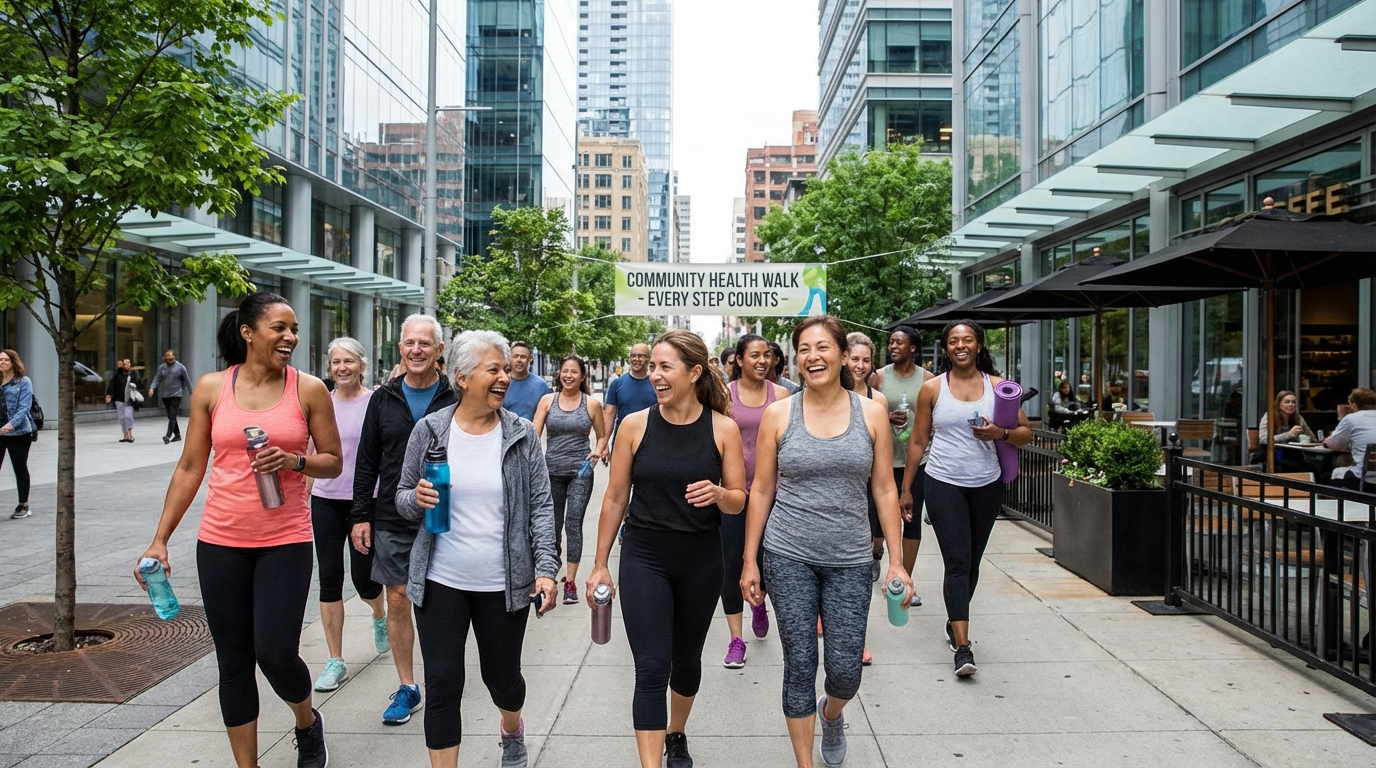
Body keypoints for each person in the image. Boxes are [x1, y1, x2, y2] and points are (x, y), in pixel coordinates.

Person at [135, 292, 342, 768]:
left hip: (285, 542)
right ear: (248, 332)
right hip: (220, 543)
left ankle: (307, 722)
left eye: (294, 329)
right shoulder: (211, 388)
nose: (290, 337)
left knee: (275, 654)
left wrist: (294, 461)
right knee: (233, 662)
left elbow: (333, 461)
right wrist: (160, 539)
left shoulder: (309, 389)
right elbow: (190, 466)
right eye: (279, 328)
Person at [740, 316, 913, 768]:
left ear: (842, 355)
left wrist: (897, 561)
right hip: (788, 554)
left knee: (845, 671)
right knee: (799, 665)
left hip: (851, 559)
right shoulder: (779, 414)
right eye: (804, 349)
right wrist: (749, 561)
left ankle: (832, 713)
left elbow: (884, 489)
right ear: (794, 358)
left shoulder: (870, 413)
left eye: (822, 347)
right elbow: (762, 489)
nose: (813, 356)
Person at [395, 330, 559, 768]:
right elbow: (402, 496)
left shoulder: (520, 434)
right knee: (443, 683)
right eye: (494, 369)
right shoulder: (430, 430)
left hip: (503, 584)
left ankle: (512, 727)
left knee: (503, 680)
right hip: (440, 581)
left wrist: (546, 569)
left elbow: (542, 507)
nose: (504, 377)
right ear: (463, 378)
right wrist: (417, 499)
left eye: (506, 369)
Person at [585, 330, 747, 768]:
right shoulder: (635, 426)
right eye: (652, 366)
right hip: (644, 557)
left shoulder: (723, 429)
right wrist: (600, 564)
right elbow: (615, 498)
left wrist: (719, 494)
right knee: (652, 667)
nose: (654, 375)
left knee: (686, 661)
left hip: (701, 560)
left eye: (665, 367)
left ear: (694, 373)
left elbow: (739, 499)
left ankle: (676, 733)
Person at [902, 320, 1033, 678]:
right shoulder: (932, 389)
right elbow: (918, 440)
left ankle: (954, 620)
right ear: (946, 348)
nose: (961, 345)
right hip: (943, 483)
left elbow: (1025, 433)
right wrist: (907, 489)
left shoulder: (999, 387)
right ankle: (963, 647)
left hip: (986, 485)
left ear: (978, 345)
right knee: (958, 561)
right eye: (954, 341)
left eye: (968, 340)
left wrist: (1000, 433)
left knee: (972, 562)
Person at [350, 314, 457, 726]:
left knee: (442, 599)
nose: (416, 350)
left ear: (439, 350)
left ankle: (443, 676)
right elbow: (367, 461)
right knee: (397, 597)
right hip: (393, 516)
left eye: (424, 344)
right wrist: (360, 515)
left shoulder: (455, 396)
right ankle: (408, 685)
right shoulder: (383, 399)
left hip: (445, 516)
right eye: (410, 343)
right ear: (400, 348)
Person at [309, 337, 388, 693]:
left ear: (361, 365)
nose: (342, 368)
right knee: (329, 577)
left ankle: (379, 614)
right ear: (329, 368)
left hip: (365, 502)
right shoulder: (320, 402)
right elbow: (310, 450)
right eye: (336, 362)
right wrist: (303, 494)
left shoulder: (375, 402)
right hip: (325, 499)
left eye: (349, 361)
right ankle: (335, 660)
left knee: (364, 580)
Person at [720, 334, 791, 668]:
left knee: (766, 562)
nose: (763, 361)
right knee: (731, 563)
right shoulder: (723, 396)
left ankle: (759, 602)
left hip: (775, 494)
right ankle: (736, 639)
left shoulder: (783, 396)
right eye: (754, 355)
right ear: (739, 360)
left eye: (767, 355)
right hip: (734, 494)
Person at [533, 355, 609, 604]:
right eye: (565, 371)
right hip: (551, 472)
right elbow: (533, 435)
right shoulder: (547, 401)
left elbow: (602, 436)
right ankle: (549, 575)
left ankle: (570, 583)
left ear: (582, 376)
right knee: (551, 526)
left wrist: (598, 451)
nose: (568, 376)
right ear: (560, 374)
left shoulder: (591, 404)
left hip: (580, 472)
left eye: (574, 372)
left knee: (573, 524)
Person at [870, 325, 932, 589]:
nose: (893, 347)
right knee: (879, 518)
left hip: (917, 461)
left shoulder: (928, 379)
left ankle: (905, 579)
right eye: (891, 342)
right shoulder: (878, 377)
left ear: (913, 348)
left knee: (912, 520)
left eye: (899, 342)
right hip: (885, 458)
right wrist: (885, 417)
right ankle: (876, 552)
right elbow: (866, 410)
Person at [847, 332, 890, 592]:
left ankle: (875, 553)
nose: (860, 366)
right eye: (855, 359)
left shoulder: (878, 400)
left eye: (866, 360)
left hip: (870, 478)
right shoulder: (829, 394)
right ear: (844, 358)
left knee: (874, 527)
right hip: (842, 479)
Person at [0, 349, 36, 520]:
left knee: (19, 467)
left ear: (14, 362)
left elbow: (24, 407)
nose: (2, 362)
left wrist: (11, 425)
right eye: (0, 360)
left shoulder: (23, 381)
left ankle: (23, 504)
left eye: (6, 360)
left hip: (19, 432)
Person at [1323, 387, 1376, 486]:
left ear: (1354, 405)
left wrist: (1326, 440)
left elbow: (1333, 444)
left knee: (1328, 479)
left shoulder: (1352, 419)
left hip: (1364, 481)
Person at [603, 343, 657, 441]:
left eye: (641, 356)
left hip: (650, 441)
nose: (636, 359)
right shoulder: (617, 384)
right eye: (633, 356)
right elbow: (609, 416)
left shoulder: (656, 384)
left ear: (648, 359)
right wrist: (604, 443)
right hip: (622, 441)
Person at [149, 349, 194, 444]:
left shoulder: (180, 367)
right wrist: (152, 388)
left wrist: (192, 393)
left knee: (172, 415)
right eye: (167, 356)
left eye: (170, 356)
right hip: (165, 395)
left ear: (174, 356)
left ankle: (168, 436)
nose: (169, 357)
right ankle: (177, 435)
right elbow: (157, 379)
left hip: (176, 394)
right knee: (171, 416)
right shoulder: (162, 367)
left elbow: (187, 381)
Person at [503, 341, 551, 422]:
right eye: (515, 356)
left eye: (523, 357)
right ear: (509, 358)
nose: (519, 360)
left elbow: (547, 416)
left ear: (530, 359)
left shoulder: (541, 386)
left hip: (533, 429)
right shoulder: (502, 383)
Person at [105, 358, 143, 443]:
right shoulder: (118, 375)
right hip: (119, 399)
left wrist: (135, 385)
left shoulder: (133, 374)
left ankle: (130, 434)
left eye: (128, 362)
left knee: (128, 416)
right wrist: (109, 395)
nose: (126, 364)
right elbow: (112, 385)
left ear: (130, 364)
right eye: (124, 363)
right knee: (122, 417)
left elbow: (140, 384)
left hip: (129, 399)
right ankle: (125, 434)